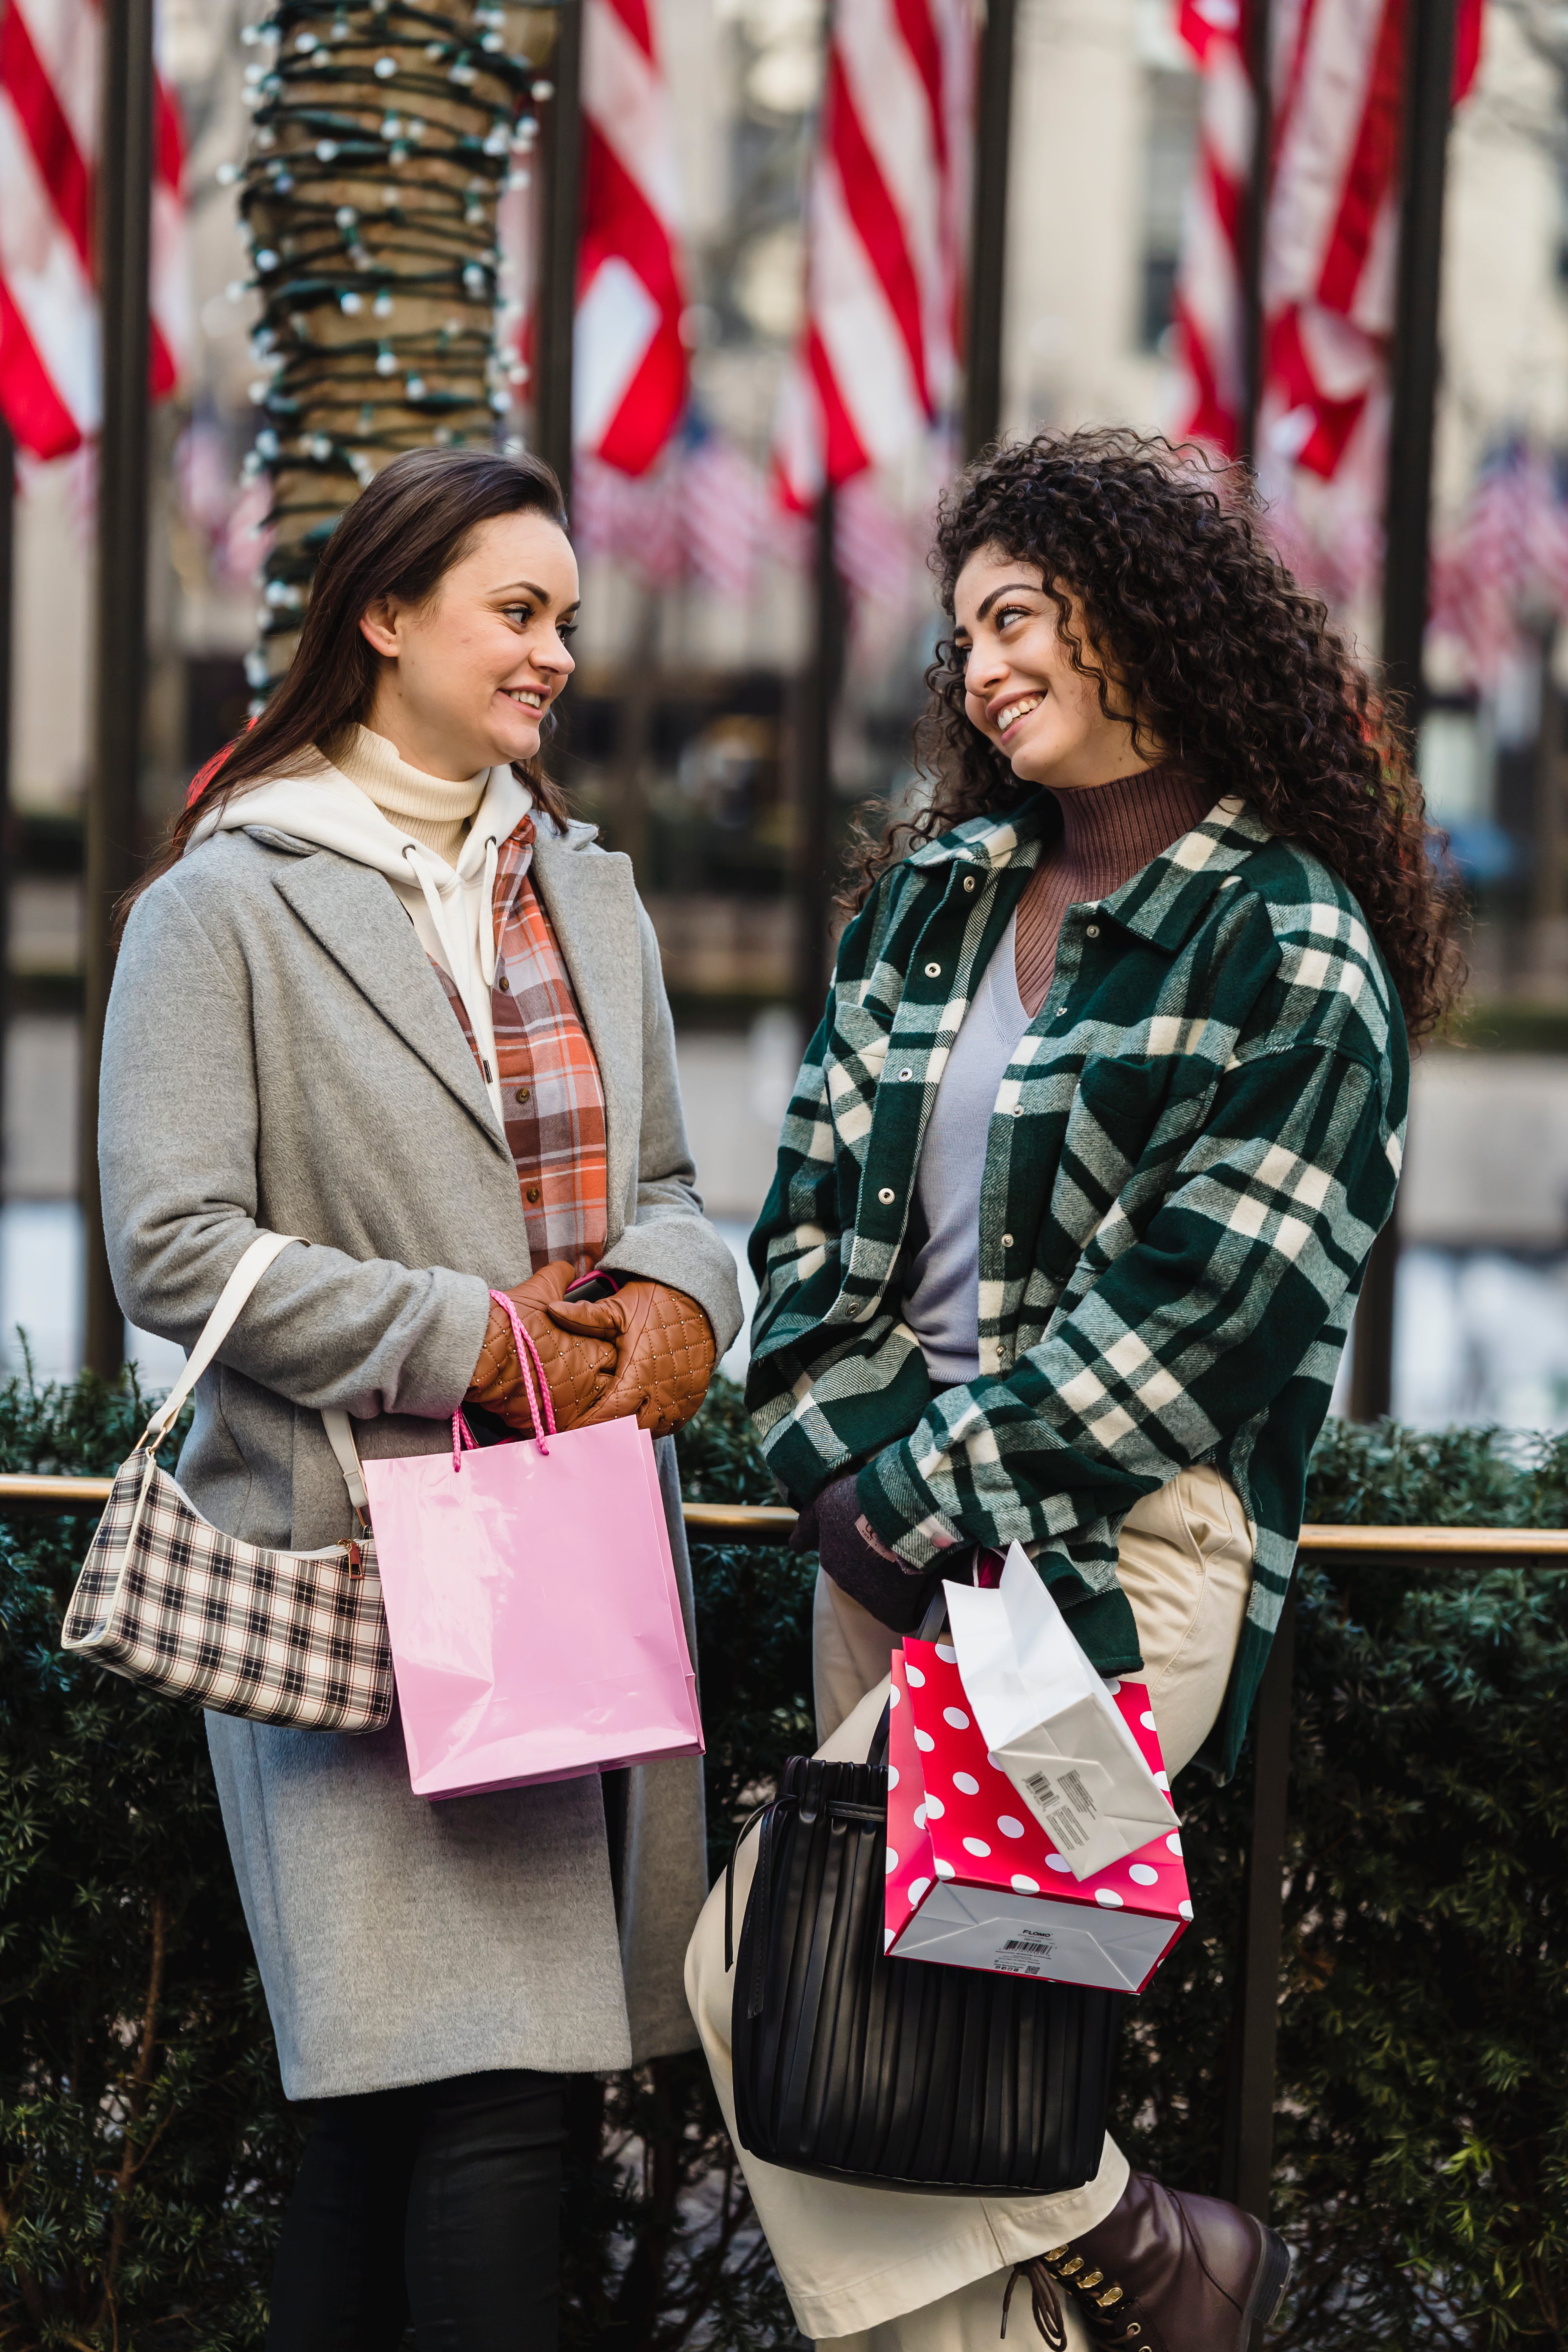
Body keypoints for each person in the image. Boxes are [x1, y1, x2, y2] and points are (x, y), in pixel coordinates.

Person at [686, 428, 1459, 2350]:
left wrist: (927, 1491)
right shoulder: (934, 898)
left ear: (1141, 620)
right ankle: (1136, 2279)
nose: (981, 669)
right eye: (962, 637)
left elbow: (1210, 1313)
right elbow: (804, 1245)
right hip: (878, 1546)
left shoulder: (1287, 939)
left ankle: (1130, 2243)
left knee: (756, 1974)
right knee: (906, 2052)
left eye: (1017, 618)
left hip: (1109, 1574)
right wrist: (846, 1489)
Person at [99, 445, 742, 2350]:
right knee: (466, 2102)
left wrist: (673, 1319)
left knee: (429, 2119)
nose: (556, 652)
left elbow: (686, 1200)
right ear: (385, 620)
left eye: (565, 617)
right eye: (516, 611)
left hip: (573, 1562)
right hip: (360, 1568)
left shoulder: (589, 897)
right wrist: (470, 1340)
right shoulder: (221, 905)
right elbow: (174, 1248)